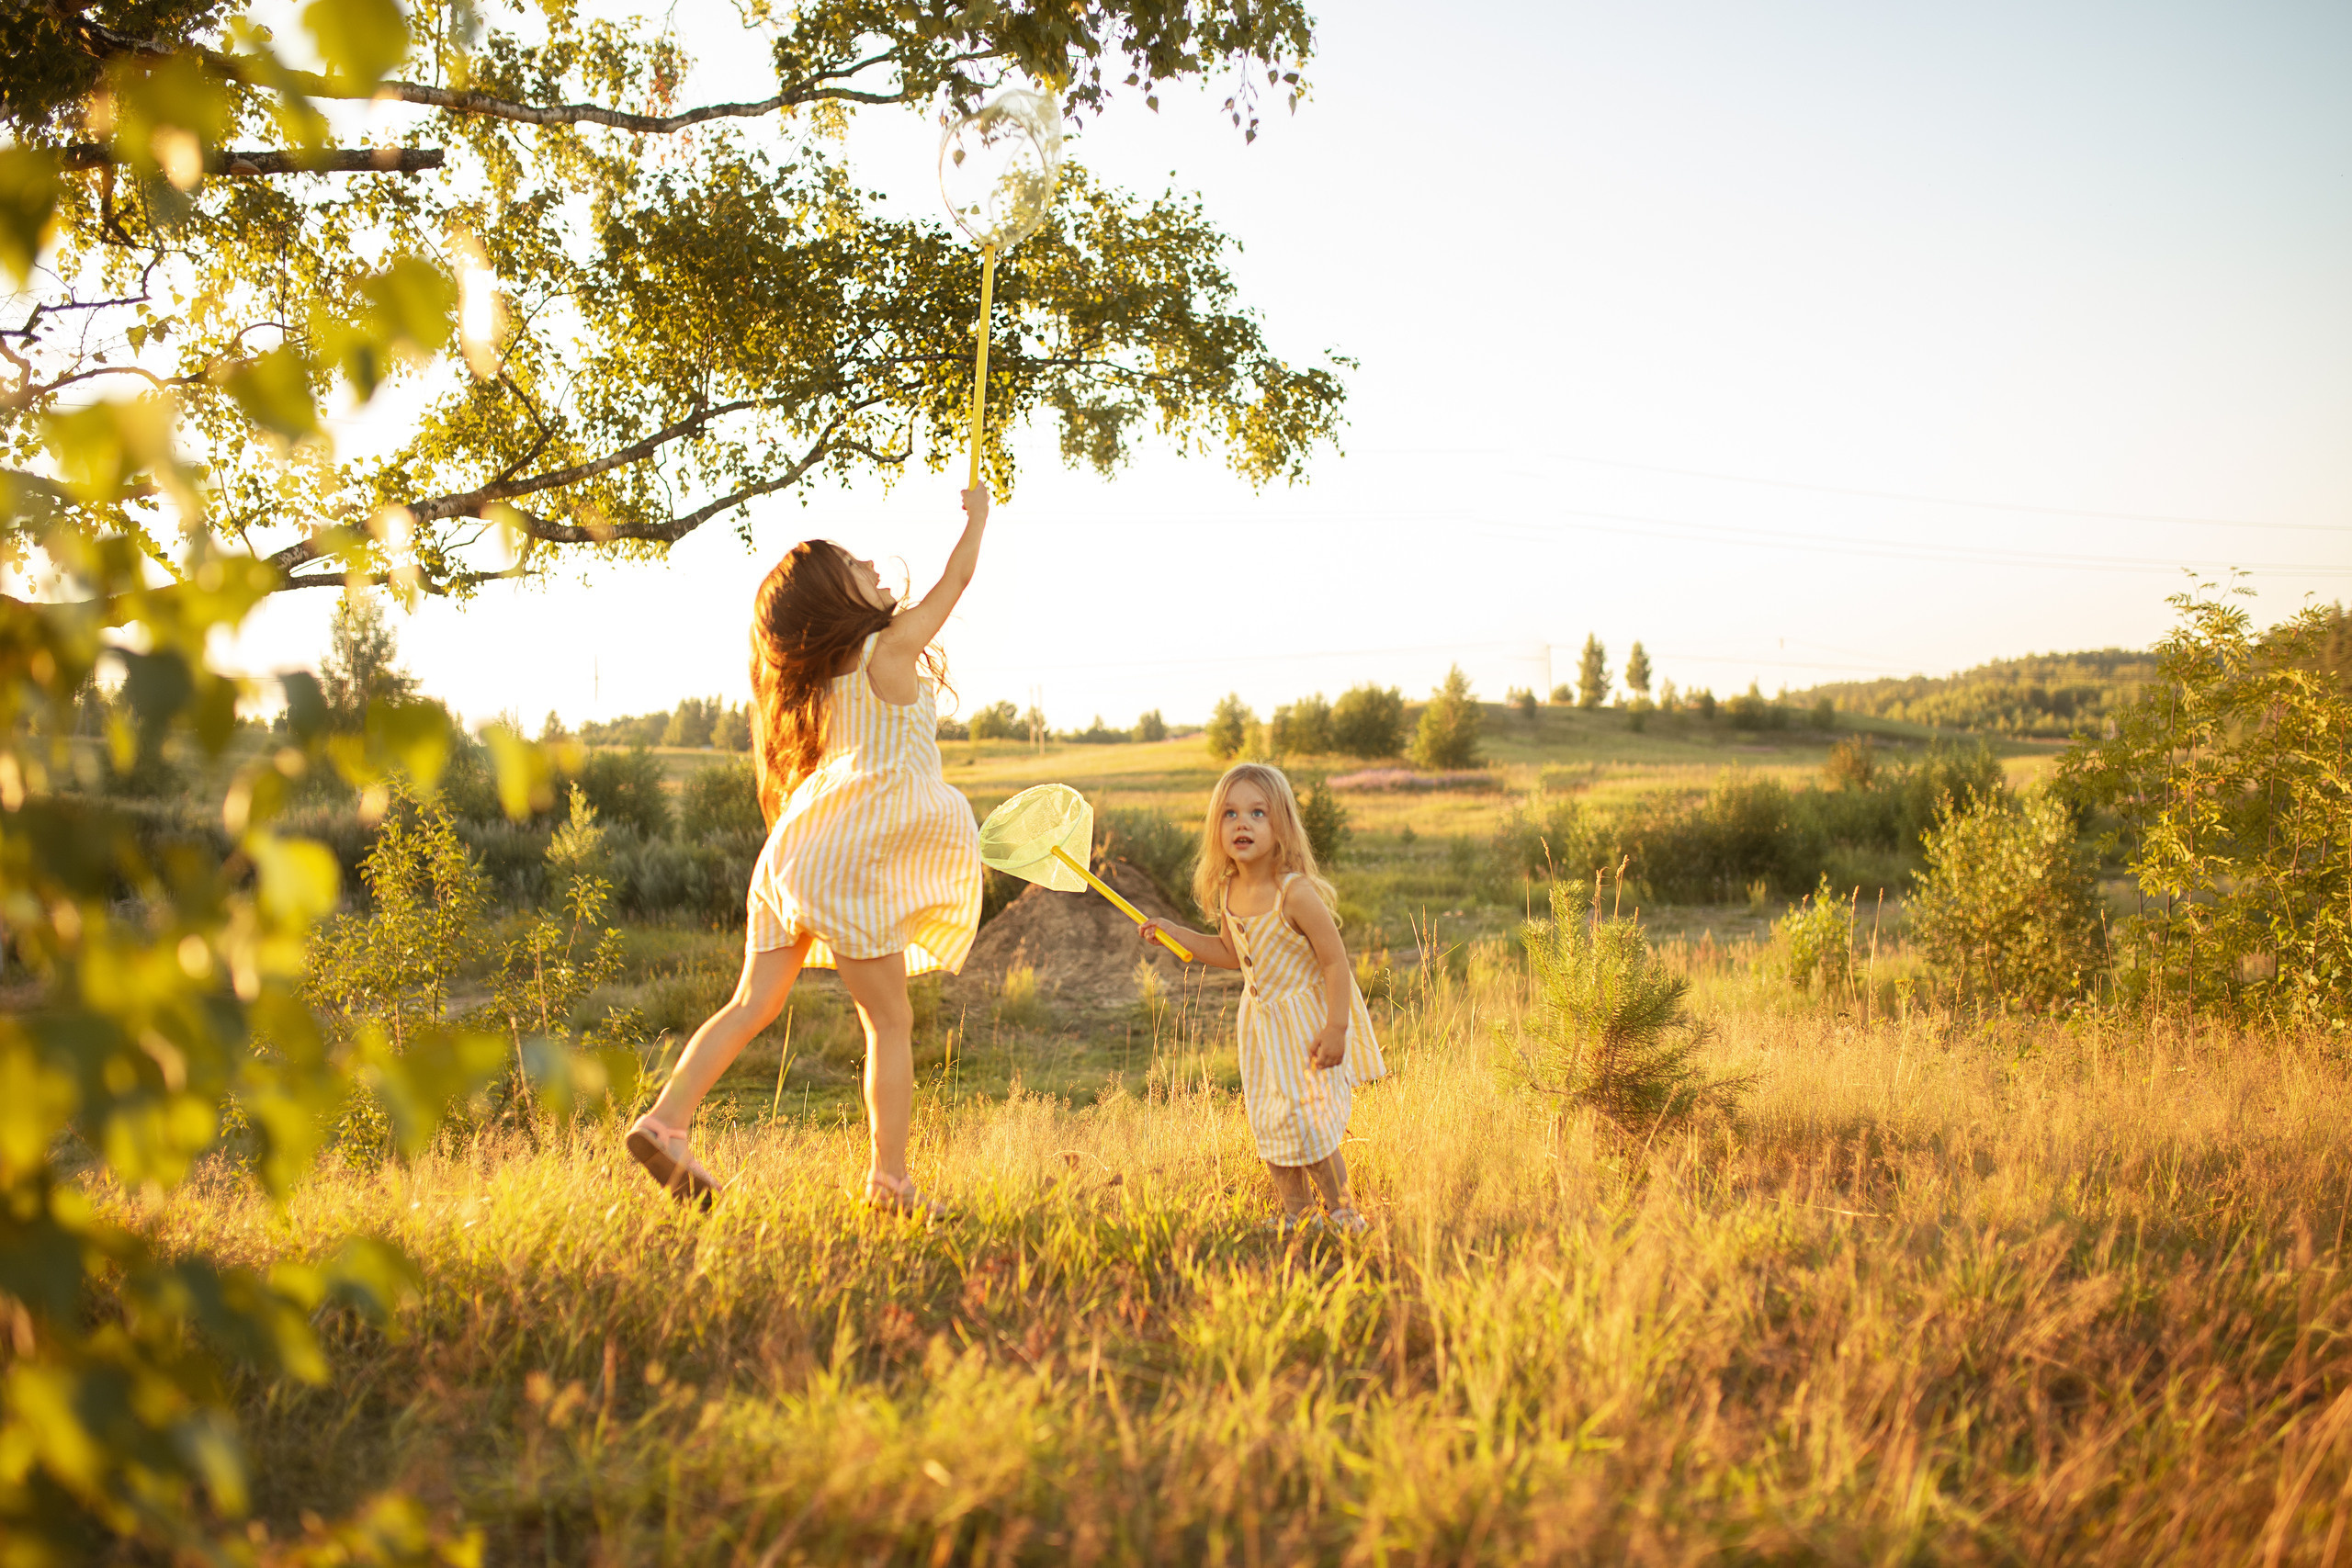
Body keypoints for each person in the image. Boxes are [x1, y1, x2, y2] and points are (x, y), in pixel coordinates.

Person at [626, 486, 989, 1213]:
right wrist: (977, 520)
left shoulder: (823, 679)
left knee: (751, 1003)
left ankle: (665, 1121)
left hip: (798, 853)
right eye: (856, 563)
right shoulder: (888, 648)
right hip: (848, 860)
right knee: (889, 1022)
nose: (874, 564)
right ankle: (890, 1182)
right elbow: (957, 581)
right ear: (836, 597)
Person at [1137, 762, 1387, 1233]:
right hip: (1260, 1026)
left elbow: (1335, 962)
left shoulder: (1294, 893)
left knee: (1310, 1124)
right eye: (1230, 814)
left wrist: (1337, 1028)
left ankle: (1344, 1212)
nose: (1242, 823)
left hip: (1305, 1025)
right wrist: (1176, 934)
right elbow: (1231, 954)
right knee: (1270, 1122)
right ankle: (1298, 1215)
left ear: (1282, 826)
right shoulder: (1230, 889)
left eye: (1257, 813)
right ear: (1217, 828)